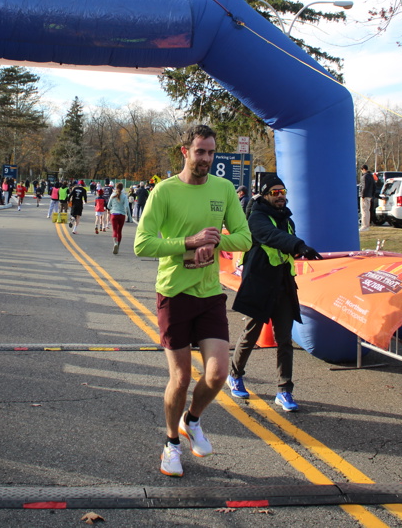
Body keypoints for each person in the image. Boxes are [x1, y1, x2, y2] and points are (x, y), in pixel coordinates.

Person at [134, 125, 252, 477]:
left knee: (217, 375)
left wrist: (213, 243)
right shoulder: (164, 191)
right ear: (184, 152)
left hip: (210, 293)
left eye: (211, 152)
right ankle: (171, 443)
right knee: (181, 378)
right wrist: (189, 242)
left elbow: (244, 237)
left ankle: (192, 420)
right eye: (200, 152)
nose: (206, 159)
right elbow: (142, 244)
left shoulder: (224, 188)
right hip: (174, 293)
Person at [227, 178, 322, 412]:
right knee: (251, 333)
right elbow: (271, 236)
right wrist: (299, 245)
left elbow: (286, 245)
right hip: (260, 284)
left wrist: (300, 251)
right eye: (275, 192)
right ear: (265, 195)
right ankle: (235, 375)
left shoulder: (287, 220)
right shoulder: (256, 217)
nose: (280, 196)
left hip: (283, 285)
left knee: (284, 339)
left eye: (283, 192)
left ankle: (284, 390)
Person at [107, 182, 130, 253]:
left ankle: (115, 243)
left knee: (115, 230)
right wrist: (129, 216)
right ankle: (118, 246)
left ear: (116, 187)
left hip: (114, 214)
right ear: (122, 188)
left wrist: (111, 209)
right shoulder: (124, 196)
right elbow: (127, 207)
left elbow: (108, 206)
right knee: (119, 231)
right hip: (122, 215)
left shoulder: (112, 195)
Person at [359, 164, 374, 231]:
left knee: (364, 211)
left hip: (365, 196)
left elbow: (364, 186)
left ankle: (364, 225)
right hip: (369, 196)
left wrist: (362, 195)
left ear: (363, 169)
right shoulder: (371, 176)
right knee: (367, 211)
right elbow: (374, 186)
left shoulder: (364, 177)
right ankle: (367, 225)